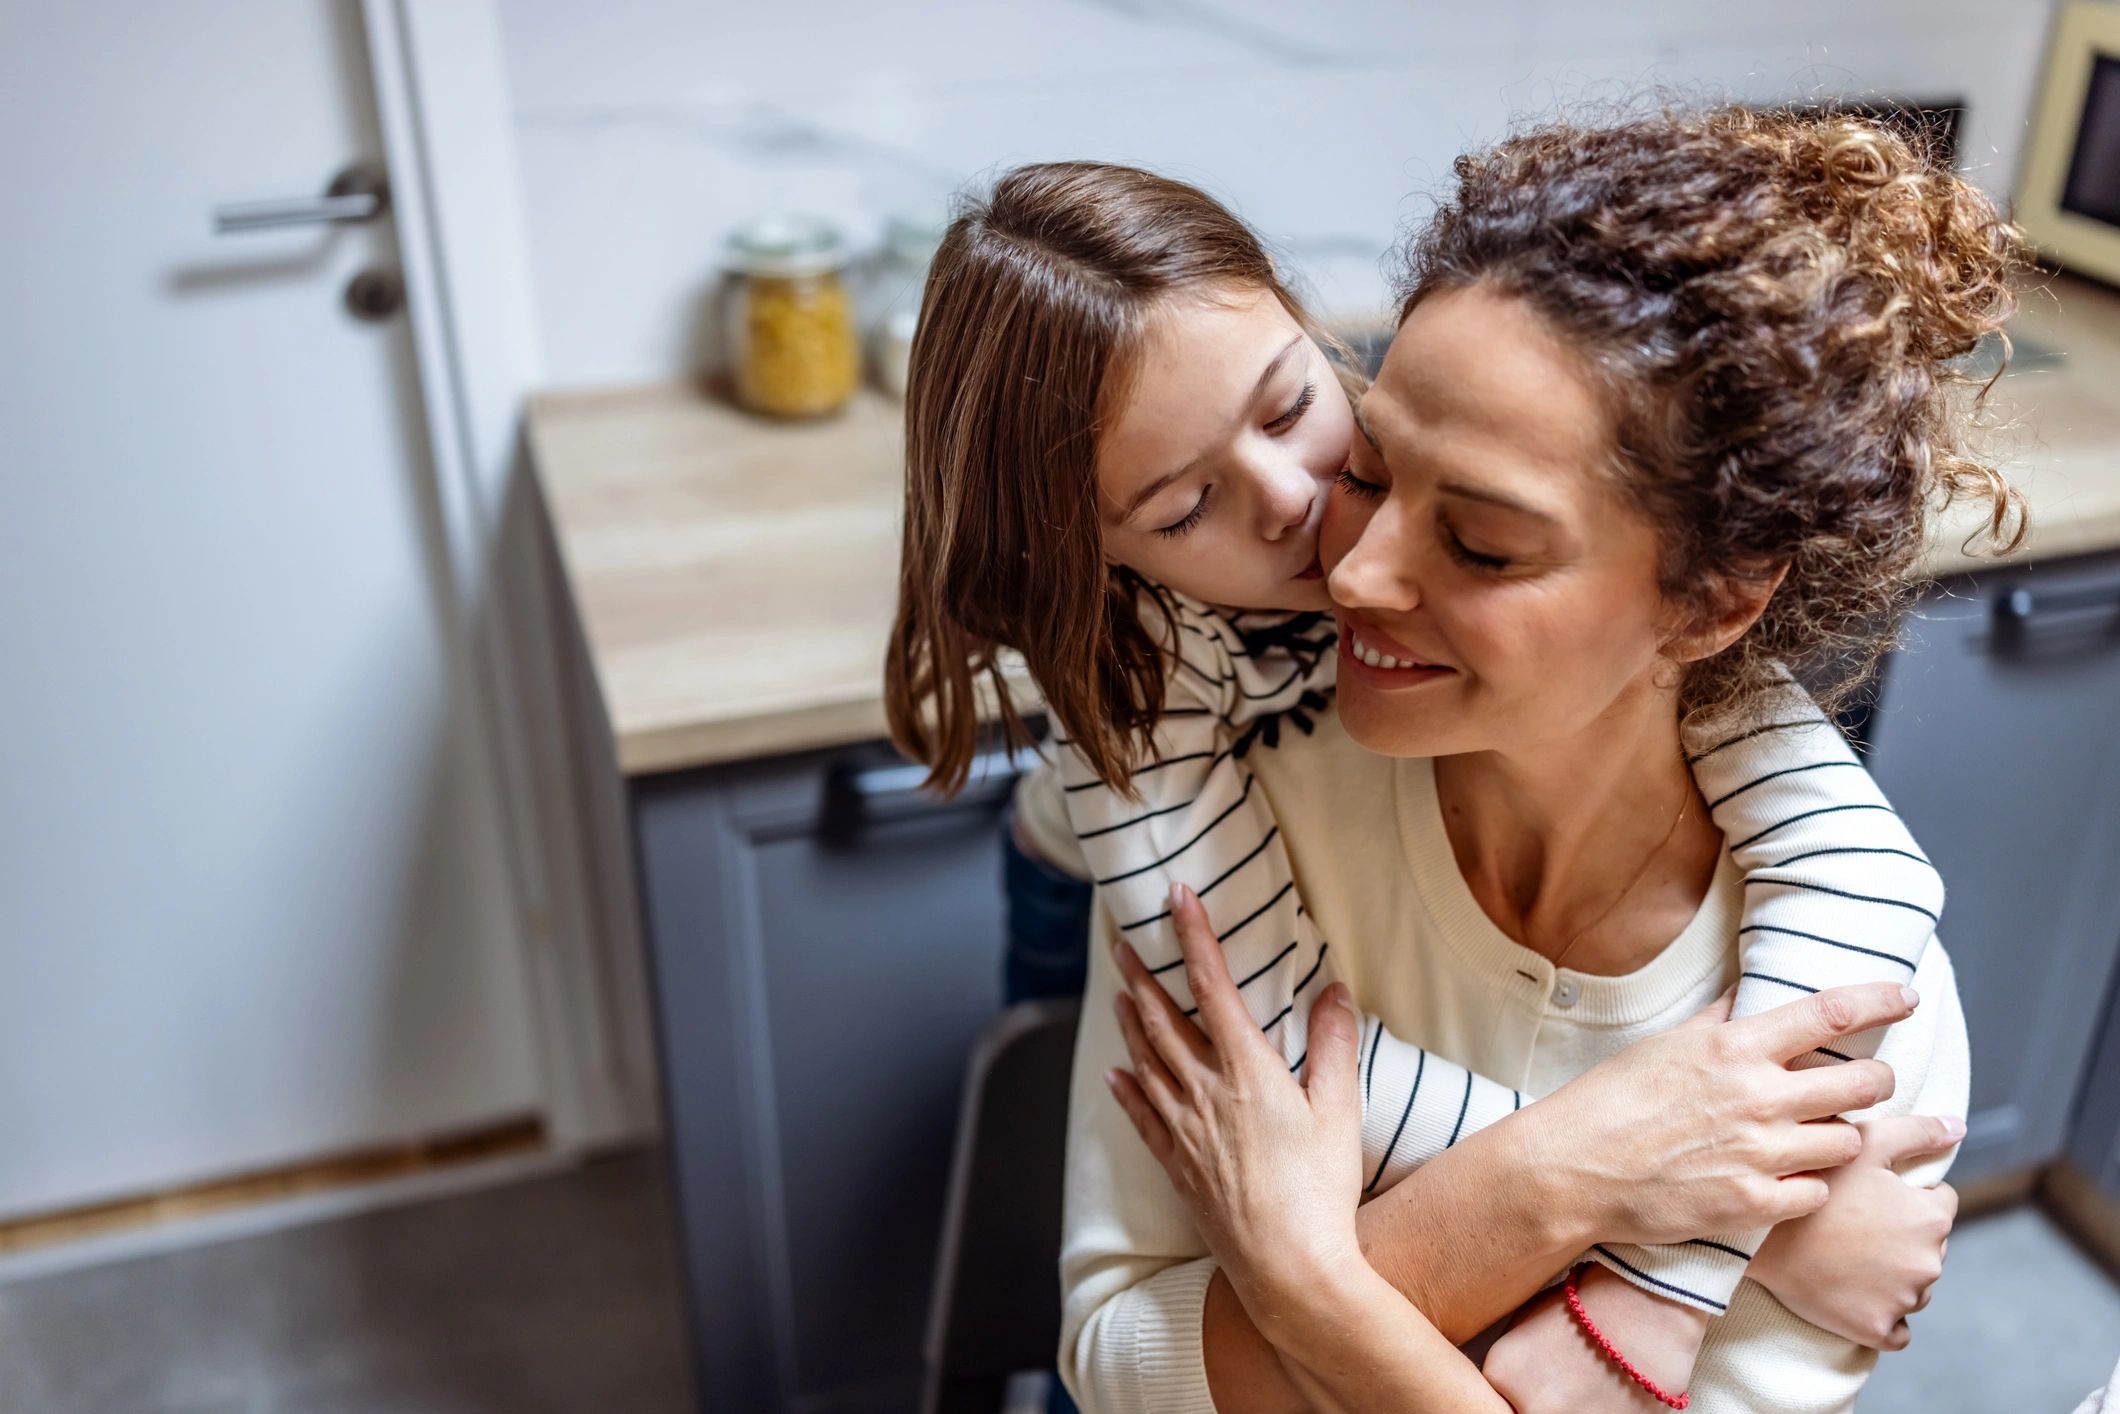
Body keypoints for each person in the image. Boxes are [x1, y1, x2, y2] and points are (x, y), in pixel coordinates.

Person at [1076, 106, 2020, 1410]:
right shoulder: (1236, 847)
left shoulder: (1850, 1027)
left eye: (1481, 545)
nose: (1348, 567)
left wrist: (1302, 1277)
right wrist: (1569, 1181)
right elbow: (1120, 1362)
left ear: (1713, 599)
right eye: (1372, 463)